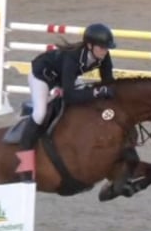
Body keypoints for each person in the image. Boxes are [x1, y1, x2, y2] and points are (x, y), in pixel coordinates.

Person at [19, 23, 117, 159]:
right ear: (89, 46)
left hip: (61, 78)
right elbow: (70, 96)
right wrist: (96, 93)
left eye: (107, 48)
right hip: (41, 76)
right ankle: (24, 158)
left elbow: (108, 81)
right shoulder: (72, 57)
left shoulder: (103, 56)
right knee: (40, 114)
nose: (105, 51)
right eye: (102, 47)